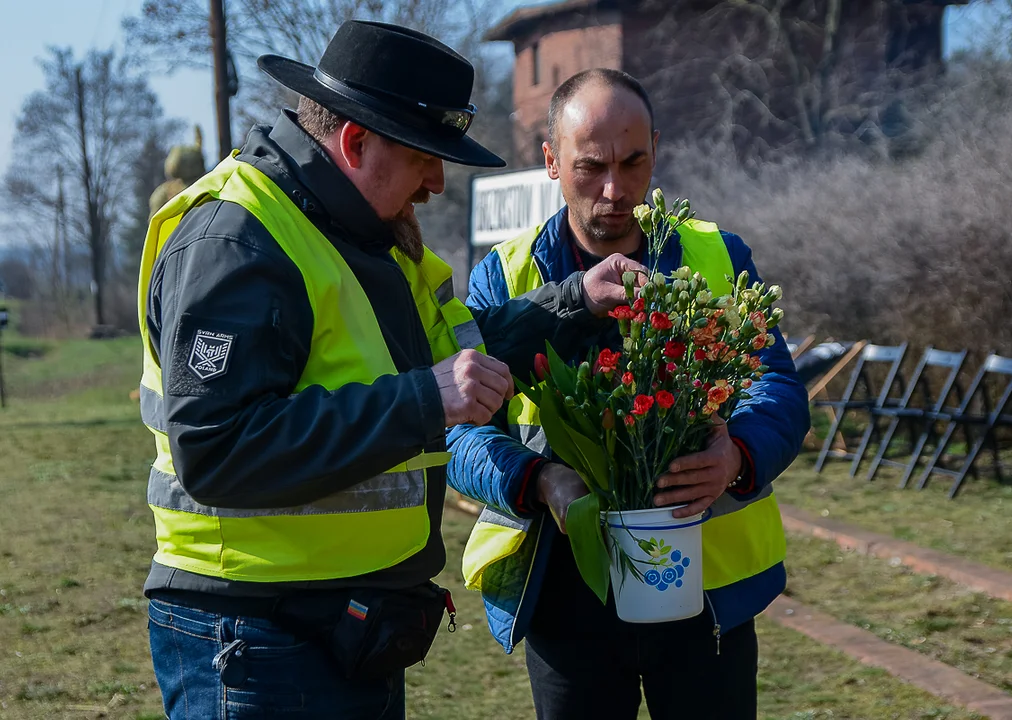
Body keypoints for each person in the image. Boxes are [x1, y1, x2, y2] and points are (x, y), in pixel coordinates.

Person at [136, 23, 644, 719]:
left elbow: (446, 357)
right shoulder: (238, 239)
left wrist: (573, 302)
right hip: (255, 636)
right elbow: (216, 445)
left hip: (341, 625)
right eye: (423, 159)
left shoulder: (355, 230)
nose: (436, 183)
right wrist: (421, 401)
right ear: (354, 143)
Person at [448, 68, 811, 720]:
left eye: (633, 162)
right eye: (590, 167)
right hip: (562, 597)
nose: (615, 190)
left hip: (704, 598)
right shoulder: (504, 276)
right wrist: (537, 480)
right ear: (551, 161)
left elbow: (775, 386)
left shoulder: (716, 255)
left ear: (656, 149)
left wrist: (737, 458)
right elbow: (460, 427)